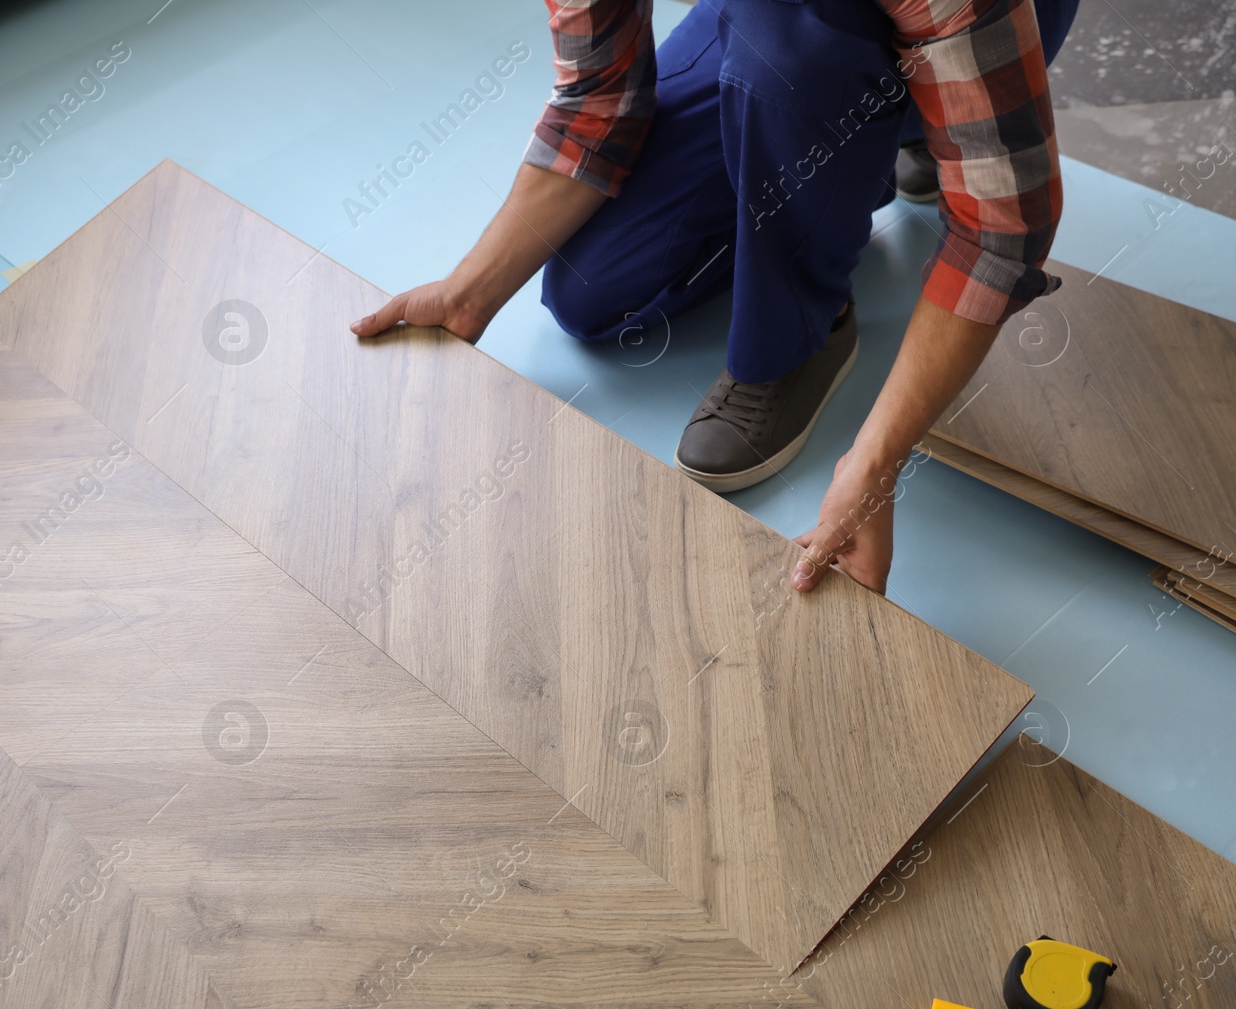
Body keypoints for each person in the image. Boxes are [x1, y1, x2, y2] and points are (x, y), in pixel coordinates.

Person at [351, 0, 1077, 595]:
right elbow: (597, 95)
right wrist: (469, 291)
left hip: (981, 27)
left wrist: (876, 462)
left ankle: (807, 324)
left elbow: (1002, 229)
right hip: (769, 23)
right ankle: (869, 142)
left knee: (792, 61)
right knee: (592, 290)